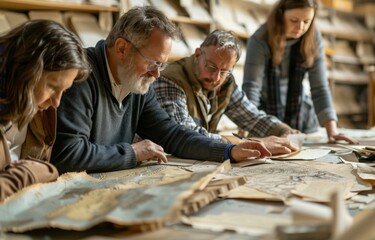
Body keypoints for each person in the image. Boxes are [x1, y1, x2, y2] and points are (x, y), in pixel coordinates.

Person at [51, 6, 272, 174]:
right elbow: (68, 155)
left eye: (162, 65)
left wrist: (227, 152)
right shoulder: (80, 76)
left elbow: (172, 134)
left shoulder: (137, 83)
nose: (157, 74)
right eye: (153, 63)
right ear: (121, 48)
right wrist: (133, 152)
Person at [154, 29, 299, 155]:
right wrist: (250, 142)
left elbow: (251, 117)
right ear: (198, 55)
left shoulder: (225, 82)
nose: (215, 77)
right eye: (211, 67)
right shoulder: (170, 79)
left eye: (224, 71)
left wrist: (282, 131)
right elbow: (184, 135)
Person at [242, 0, 357, 144]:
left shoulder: (314, 39)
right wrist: (244, 125)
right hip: (266, 114)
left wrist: (332, 131)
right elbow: (252, 87)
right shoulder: (260, 40)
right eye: (294, 20)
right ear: (280, 15)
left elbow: (320, 88)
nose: (300, 27)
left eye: (306, 21)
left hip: (300, 114)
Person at [0, 20, 91, 201]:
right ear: (26, 71)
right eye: (52, 86)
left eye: (63, 91)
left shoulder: (36, 105)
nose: (56, 103)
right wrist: (35, 171)